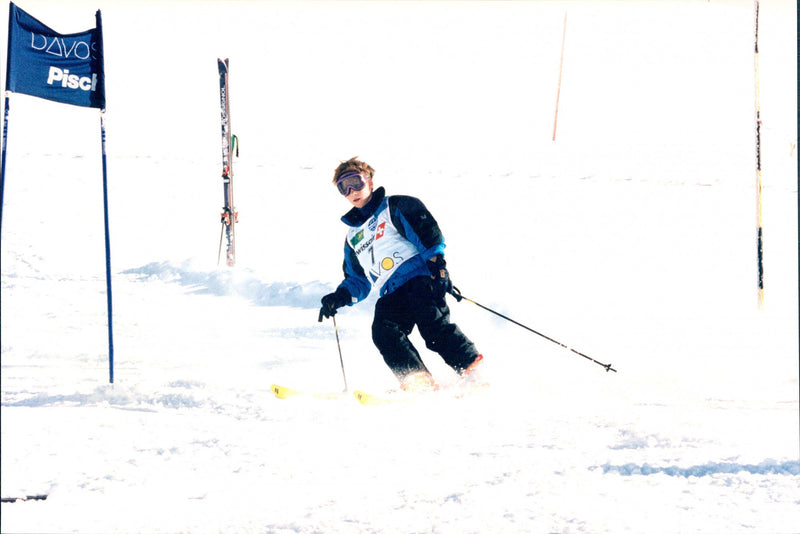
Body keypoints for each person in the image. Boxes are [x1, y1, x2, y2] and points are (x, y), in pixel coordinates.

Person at [318, 157, 483, 392]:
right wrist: (339, 296)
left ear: (370, 181)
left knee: (433, 328)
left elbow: (427, 233)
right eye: (344, 187)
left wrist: (437, 264)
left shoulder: (394, 207)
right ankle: (418, 381)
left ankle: (472, 370)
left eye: (356, 182)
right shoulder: (352, 237)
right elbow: (358, 280)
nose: (352, 191)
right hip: (391, 290)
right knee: (383, 331)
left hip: (419, 280)